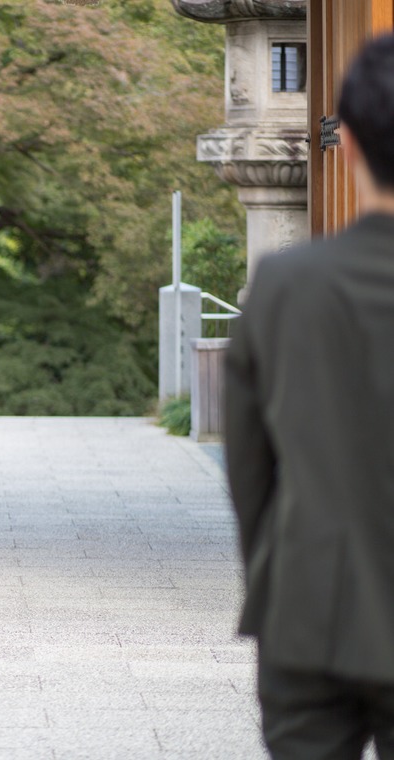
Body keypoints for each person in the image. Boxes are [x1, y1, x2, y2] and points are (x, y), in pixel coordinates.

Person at [225, 32, 394, 759]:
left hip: (310, 603)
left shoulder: (284, 287)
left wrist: (280, 565)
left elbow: (249, 470)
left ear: (347, 142)